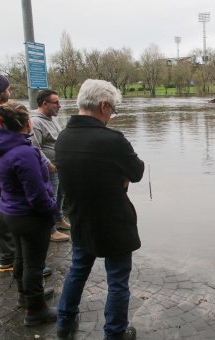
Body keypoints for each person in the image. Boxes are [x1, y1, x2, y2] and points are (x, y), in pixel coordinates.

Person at [55, 79, 144, 340]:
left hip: (81, 218)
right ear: (103, 105)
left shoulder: (63, 137)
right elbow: (136, 172)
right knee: (117, 281)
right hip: (113, 221)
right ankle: (115, 333)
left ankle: (64, 322)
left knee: (77, 270)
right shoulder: (111, 140)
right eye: (113, 110)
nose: (112, 116)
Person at [0, 72, 53, 277]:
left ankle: (14, 261)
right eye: (7, 88)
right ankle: (11, 260)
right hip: (1, 177)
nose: (9, 91)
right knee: (4, 216)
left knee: (3, 213)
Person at [0, 101, 58, 326]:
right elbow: (36, 194)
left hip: (10, 211)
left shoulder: (0, 147)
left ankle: (24, 296)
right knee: (34, 265)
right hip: (29, 216)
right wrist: (51, 211)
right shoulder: (23, 153)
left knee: (20, 257)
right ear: (27, 123)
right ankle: (36, 311)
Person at [29, 90, 70, 243]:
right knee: (50, 199)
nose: (59, 106)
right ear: (44, 104)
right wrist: (48, 164)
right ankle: (50, 230)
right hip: (49, 168)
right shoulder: (36, 122)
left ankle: (59, 219)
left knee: (60, 195)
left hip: (59, 165)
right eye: (56, 103)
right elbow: (34, 147)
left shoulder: (51, 118)